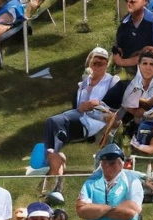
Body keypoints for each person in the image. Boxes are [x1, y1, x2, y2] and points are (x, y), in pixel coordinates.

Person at [43, 48, 115, 205]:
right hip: (80, 116)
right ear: (89, 63)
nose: (98, 66)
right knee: (51, 122)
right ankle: (56, 179)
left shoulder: (111, 81)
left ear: (107, 64)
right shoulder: (84, 83)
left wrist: (96, 104)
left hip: (95, 120)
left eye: (102, 62)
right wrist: (84, 106)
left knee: (54, 123)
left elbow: (114, 106)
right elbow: (78, 107)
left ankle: (54, 155)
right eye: (95, 62)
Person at [77, 143, 144, 220]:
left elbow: (130, 212)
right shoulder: (91, 182)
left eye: (112, 163)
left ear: (121, 163)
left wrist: (97, 210)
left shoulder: (132, 180)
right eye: (104, 163)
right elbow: (82, 211)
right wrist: (111, 208)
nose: (107, 167)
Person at [112, 0, 153, 70]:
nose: (129, 4)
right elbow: (117, 51)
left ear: (145, 1)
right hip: (125, 71)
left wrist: (122, 62)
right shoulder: (124, 23)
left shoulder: (151, 21)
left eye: (133, 2)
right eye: (127, 1)